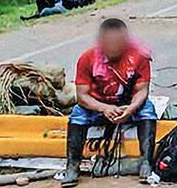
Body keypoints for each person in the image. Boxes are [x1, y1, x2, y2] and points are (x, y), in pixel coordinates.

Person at [61, 19, 156, 187]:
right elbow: (82, 96)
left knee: (147, 109)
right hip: (97, 106)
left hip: (127, 105)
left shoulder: (139, 57)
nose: (113, 47)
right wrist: (104, 108)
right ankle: (72, 166)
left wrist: (131, 108)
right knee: (77, 114)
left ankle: (146, 162)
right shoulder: (87, 58)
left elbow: (142, 91)